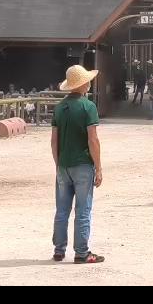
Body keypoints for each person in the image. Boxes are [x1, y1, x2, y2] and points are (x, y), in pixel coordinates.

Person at [51, 64, 104, 265]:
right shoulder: (88, 107)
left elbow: (53, 141)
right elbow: (93, 140)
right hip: (82, 165)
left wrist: (58, 164)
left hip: (63, 165)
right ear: (84, 84)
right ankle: (82, 252)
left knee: (62, 209)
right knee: (83, 209)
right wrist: (98, 168)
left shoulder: (59, 108)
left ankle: (59, 249)